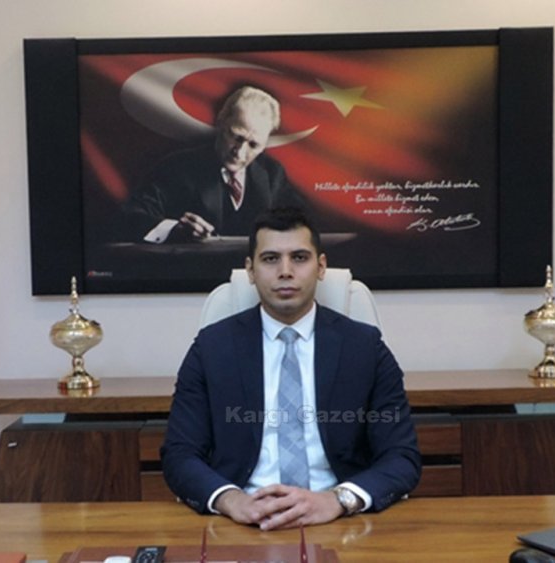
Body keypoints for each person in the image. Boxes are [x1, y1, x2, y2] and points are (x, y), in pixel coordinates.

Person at [161, 207, 421, 530]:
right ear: (250, 270)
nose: (285, 271)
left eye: (299, 258)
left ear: (321, 267)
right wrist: (232, 501)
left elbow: (401, 456)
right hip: (241, 522)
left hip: (338, 521)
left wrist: (338, 500)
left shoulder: (365, 347)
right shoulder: (211, 348)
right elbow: (180, 454)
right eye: (270, 259)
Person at [120, 86, 302, 243]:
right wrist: (174, 229)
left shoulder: (273, 174)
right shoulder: (177, 167)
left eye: (253, 145)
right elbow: (131, 216)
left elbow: (301, 226)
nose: (240, 152)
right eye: (236, 137)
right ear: (221, 120)